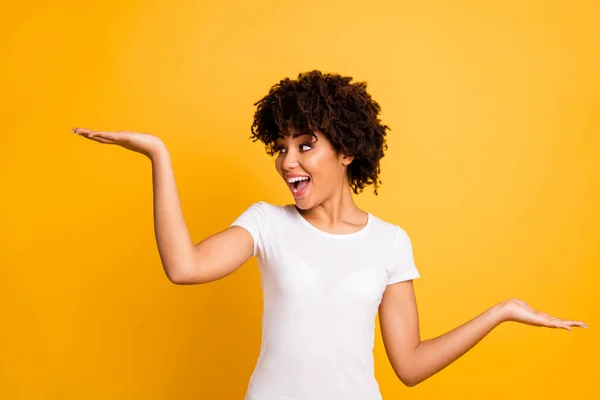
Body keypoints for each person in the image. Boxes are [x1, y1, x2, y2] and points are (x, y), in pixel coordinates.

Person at [72, 70, 588, 399]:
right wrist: (159, 155)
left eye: (305, 145)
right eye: (281, 146)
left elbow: (408, 366)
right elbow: (184, 268)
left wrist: (500, 312)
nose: (286, 161)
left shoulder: (390, 242)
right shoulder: (265, 224)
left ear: (346, 152)